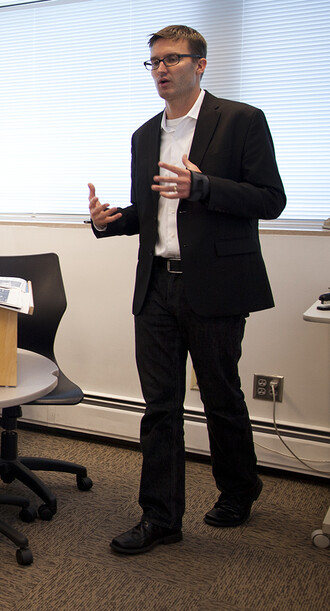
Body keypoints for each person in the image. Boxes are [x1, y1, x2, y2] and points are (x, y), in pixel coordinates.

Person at [88, 25, 285, 555]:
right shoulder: (144, 135)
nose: (161, 69)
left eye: (173, 59)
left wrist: (203, 186)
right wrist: (110, 221)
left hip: (216, 284)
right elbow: (150, 213)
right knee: (160, 407)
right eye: (153, 61)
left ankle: (239, 490)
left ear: (200, 65)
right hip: (156, 286)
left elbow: (270, 199)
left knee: (221, 396)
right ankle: (160, 517)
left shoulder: (242, 120)